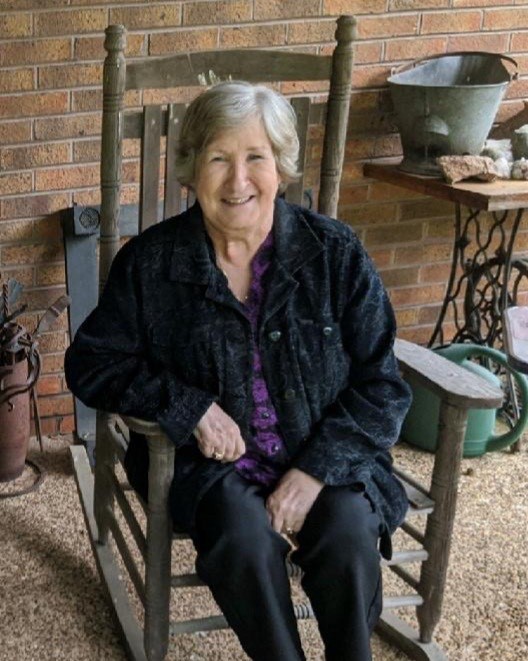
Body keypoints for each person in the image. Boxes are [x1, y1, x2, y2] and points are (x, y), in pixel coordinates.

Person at [65, 81, 412, 661]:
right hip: (212, 470)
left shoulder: (335, 254)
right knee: (243, 539)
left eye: (256, 157)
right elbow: (91, 363)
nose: (238, 181)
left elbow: (383, 385)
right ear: (190, 171)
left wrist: (316, 470)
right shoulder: (151, 263)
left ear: (281, 167)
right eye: (218, 159)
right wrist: (189, 407)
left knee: (349, 533)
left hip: (325, 451)